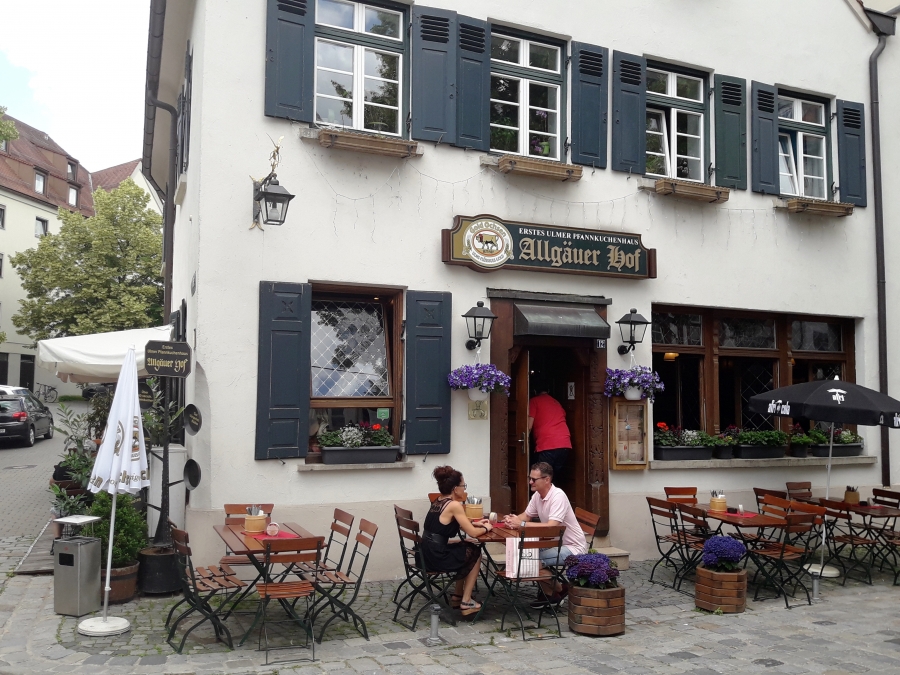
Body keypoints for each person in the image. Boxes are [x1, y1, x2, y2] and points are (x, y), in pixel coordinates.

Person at [503, 461, 587, 605]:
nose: (530, 482)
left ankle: (556, 590)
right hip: (554, 543)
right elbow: (527, 515)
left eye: (534, 479)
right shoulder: (538, 495)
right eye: (530, 478)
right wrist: (513, 519)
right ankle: (554, 591)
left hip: (572, 547)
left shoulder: (558, 496)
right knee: (524, 553)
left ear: (547, 480)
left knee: (530, 560)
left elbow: (551, 526)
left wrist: (521, 524)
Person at [420, 466, 494, 616]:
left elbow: (453, 524)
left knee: (466, 547)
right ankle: (466, 601)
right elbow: (473, 533)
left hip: (425, 553)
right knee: (475, 552)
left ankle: (457, 596)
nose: (464, 489)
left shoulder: (438, 501)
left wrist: (474, 523)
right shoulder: (454, 505)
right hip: (436, 557)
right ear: (455, 489)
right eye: (463, 485)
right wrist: (486, 527)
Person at [528, 380, 572, 484]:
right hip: (564, 443)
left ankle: (543, 495)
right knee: (554, 476)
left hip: (547, 444)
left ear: (534, 391)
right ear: (547, 390)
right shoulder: (556, 402)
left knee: (541, 477)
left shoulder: (534, 401)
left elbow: (528, 426)